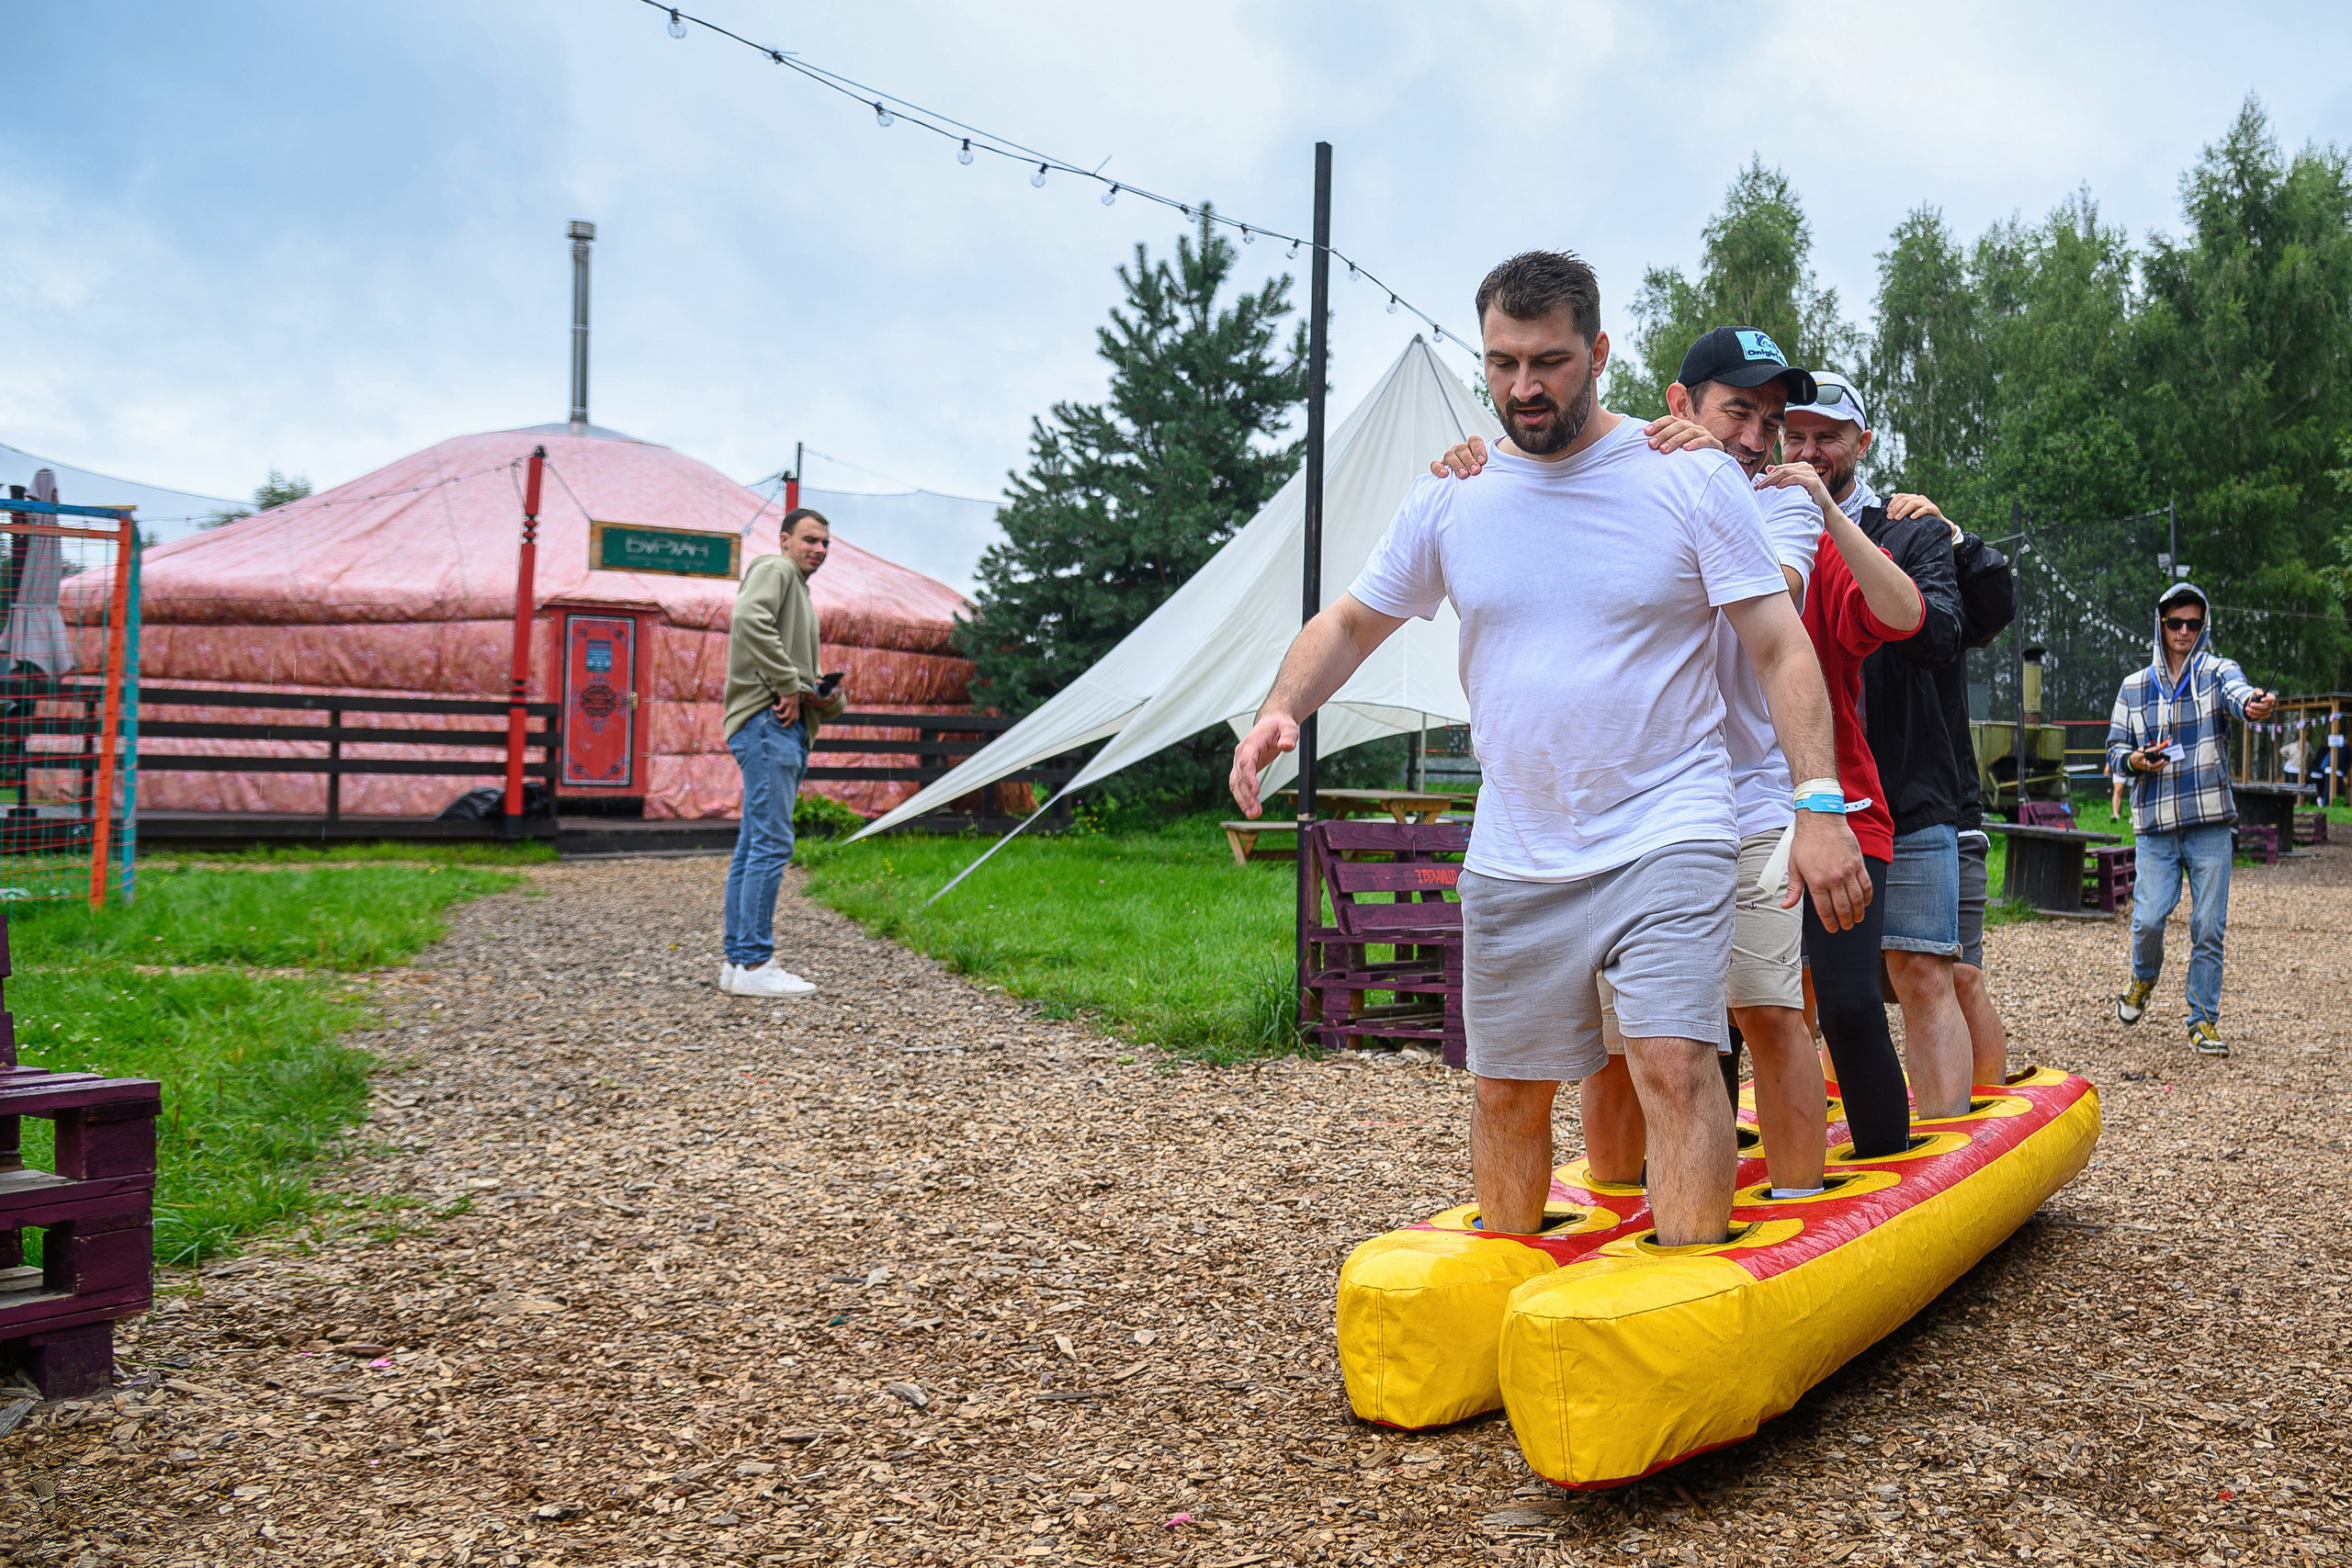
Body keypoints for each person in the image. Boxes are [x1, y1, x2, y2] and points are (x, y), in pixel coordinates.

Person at [1232, 252, 1870, 1247]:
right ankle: (1508, 1272)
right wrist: (1283, 706)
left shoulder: (1686, 475)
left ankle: (1689, 1286)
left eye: (1548, 362)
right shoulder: (1455, 493)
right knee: (1505, 1091)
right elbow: (1353, 621)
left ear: (1598, 353)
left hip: (1670, 825)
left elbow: (1780, 645)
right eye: (1502, 363)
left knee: (1672, 1063)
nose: (1523, 386)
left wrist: (1817, 802)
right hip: (1517, 846)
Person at [1428, 325, 1838, 1198]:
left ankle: (1799, 1208)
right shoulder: (1647, 477)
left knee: (1765, 1010)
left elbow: (1775, 604)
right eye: (1739, 414)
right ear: (1681, 404)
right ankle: (1615, 1209)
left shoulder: (1774, 500)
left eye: (1772, 422)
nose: (1758, 439)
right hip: (1634, 811)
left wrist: (1704, 477)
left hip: (1747, 797)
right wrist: (1494, 463)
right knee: (1620, 1046)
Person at [1781, 375, 1977, 1118]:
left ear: (1861, 443)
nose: (1809, 451)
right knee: (1801, 989)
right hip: (1799, 793)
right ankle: (1824, 1133)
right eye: (1795, 436)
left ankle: (1946, 1151)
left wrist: (1959, 537)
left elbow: (1939, 633)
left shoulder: (1910, 526)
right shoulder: (1758, 519)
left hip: (1905, 784)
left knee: (1925, 972)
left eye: (1827, 437)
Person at [2108, 583, 2277, 1055]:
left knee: (2208, 927)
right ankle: (2143, 978)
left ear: (2204, 627)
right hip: (2155, 826)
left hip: (2209, 822)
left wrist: (2255, 705)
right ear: (2160, 625)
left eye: (2194, 624)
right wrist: (2135, 760)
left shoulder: (2218, 672)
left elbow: (2241, 697)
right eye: (2175, 623)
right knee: (2147, 921)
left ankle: (2202, 1020)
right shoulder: (2134, 686)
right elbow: (2115, 751)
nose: (2184, 631)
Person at [719, 508, 847, 998]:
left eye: (825, 542)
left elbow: (802, 679)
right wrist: (789, 683)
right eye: (810, 539)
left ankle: (738, 963)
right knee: (772, 844)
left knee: (754, 845)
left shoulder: (799, 591)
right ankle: (756, 965)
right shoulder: (775, 569)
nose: (819, 549)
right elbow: (749, 620)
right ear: (785, 539)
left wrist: (823, 694)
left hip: (771, 726)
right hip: (768, 725)